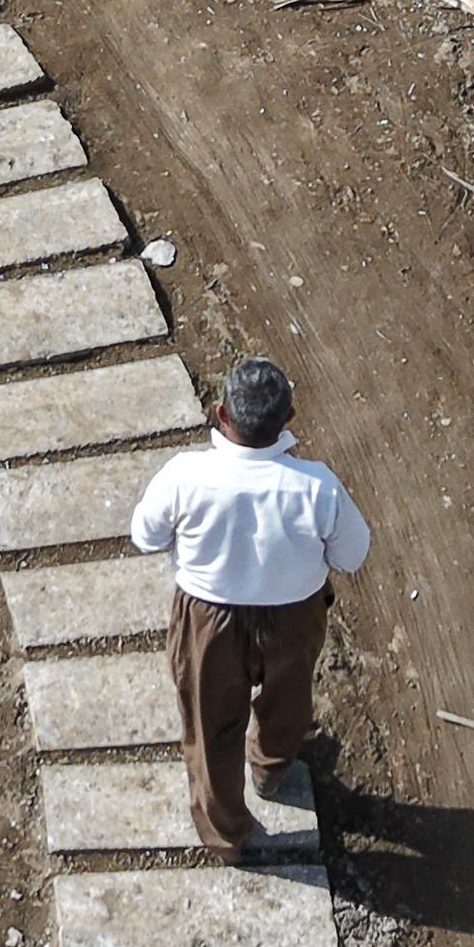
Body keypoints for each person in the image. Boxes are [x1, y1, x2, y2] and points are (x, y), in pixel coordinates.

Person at [128, 358, 372, 856]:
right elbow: (352, 554)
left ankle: (226, 833)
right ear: (290, 416)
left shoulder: (185, 475)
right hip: (293, 617)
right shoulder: (318, 486)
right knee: (289, 701)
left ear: (221, 413)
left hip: (207, 621)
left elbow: (145, 536)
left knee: (211, 723)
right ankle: (270, 767)